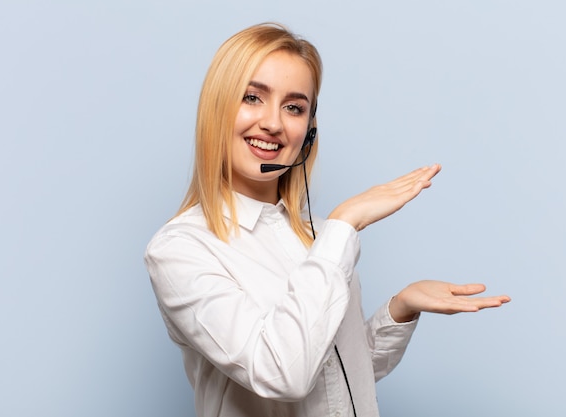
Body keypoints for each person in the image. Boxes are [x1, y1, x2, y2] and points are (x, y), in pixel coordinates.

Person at [144, 22, 510, 417]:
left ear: (310, 131)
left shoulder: (318, 235)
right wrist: (344, 224)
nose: (273, 123)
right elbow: (283, 373)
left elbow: (344, 377)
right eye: (252, 97)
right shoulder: (181, 249)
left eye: (294, 107)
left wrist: (399, 310)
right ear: (216, 110)